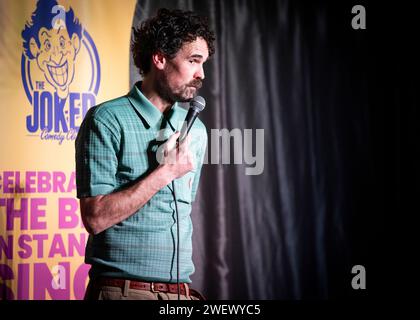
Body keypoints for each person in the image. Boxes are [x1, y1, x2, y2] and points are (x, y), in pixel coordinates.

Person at [75, 8, 215, 300]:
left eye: (203, 63)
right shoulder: (106, 120)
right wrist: (164, 172)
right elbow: (95, 218)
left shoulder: (196, 131)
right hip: (124, 292)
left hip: (181, 294)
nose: (201, 74)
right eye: (193, 61)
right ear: (160, 59)